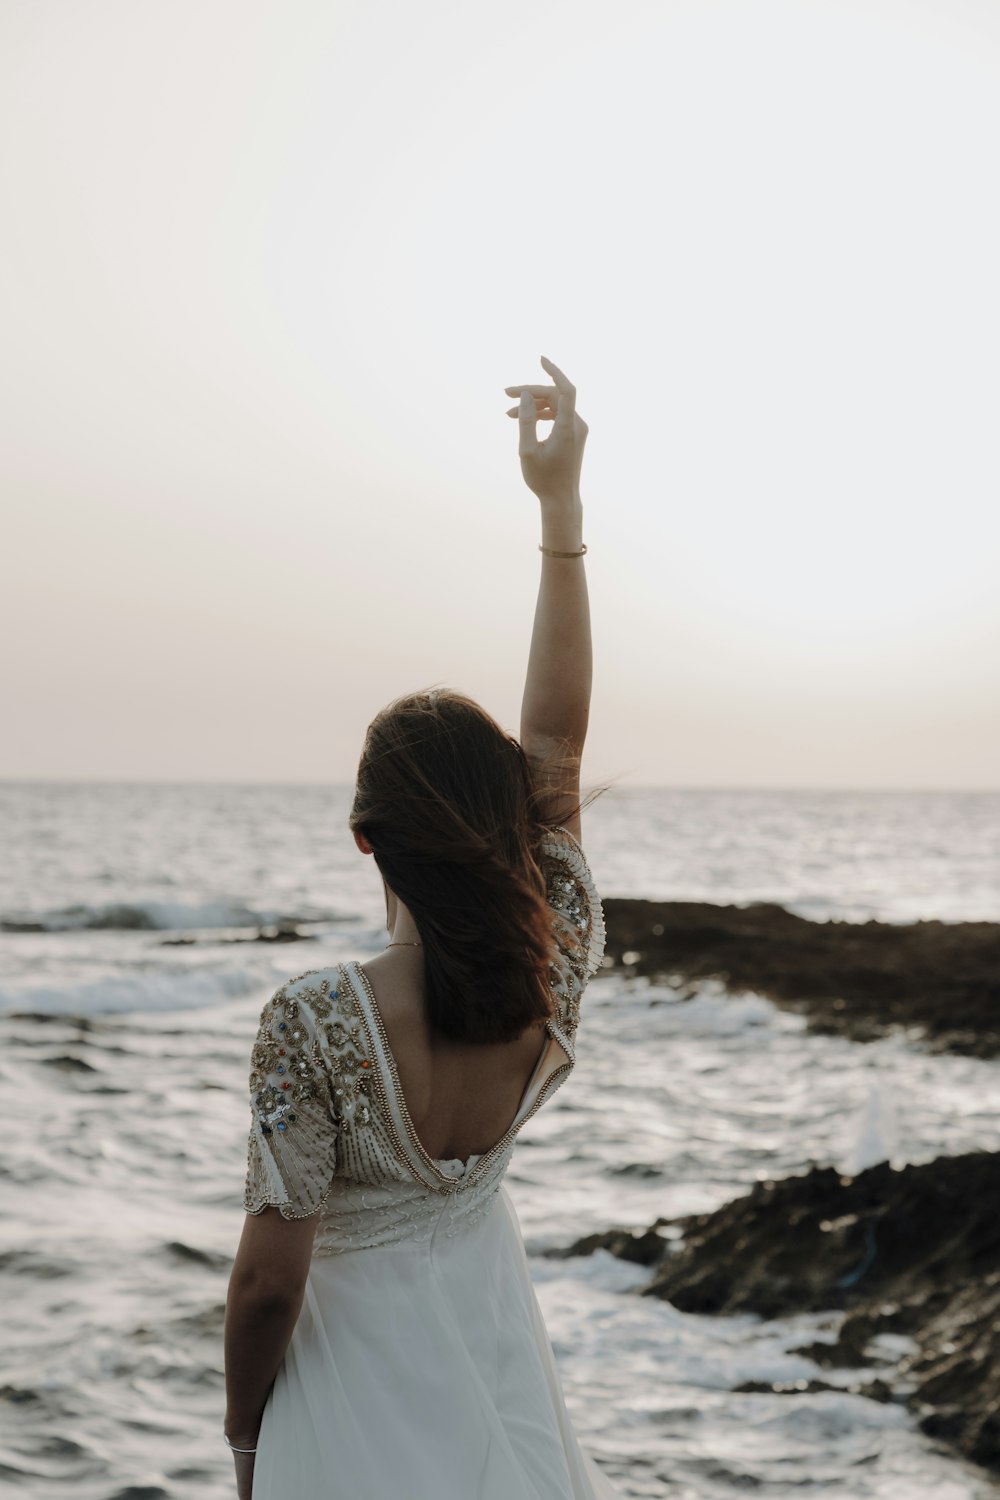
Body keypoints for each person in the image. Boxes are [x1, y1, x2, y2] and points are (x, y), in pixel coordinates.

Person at [223, 357, 620, 1498]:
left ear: (364, 838)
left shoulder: (314, 1021)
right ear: (510, 820)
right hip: (497, 1367)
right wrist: (559, 510)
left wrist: (245, 1437)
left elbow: (264, 1289)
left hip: (349, 1409)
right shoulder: (557, 950)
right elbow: (559, 743)